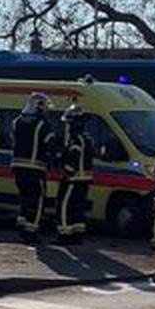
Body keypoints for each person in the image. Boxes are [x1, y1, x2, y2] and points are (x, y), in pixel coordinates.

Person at [10, 92, 55, 245]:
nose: (47, 110)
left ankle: (22, 227)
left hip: (17, 167)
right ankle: (31, 231)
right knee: (37, 200)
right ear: (39, 107)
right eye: (45, 107)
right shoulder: (44, 124)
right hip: (35, 167)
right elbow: (49, 145)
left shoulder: (17, 121)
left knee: (24, 198)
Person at [55, 104, 93, 246]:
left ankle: (64, 235)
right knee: (78, 207)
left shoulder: (77, 139)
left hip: (73, 178)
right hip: (84, 179)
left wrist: (66, 171)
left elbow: (73, 158)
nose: (68, 126)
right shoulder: (86, 138)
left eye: (69, 122)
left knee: (64, 205)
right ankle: (77, 235)